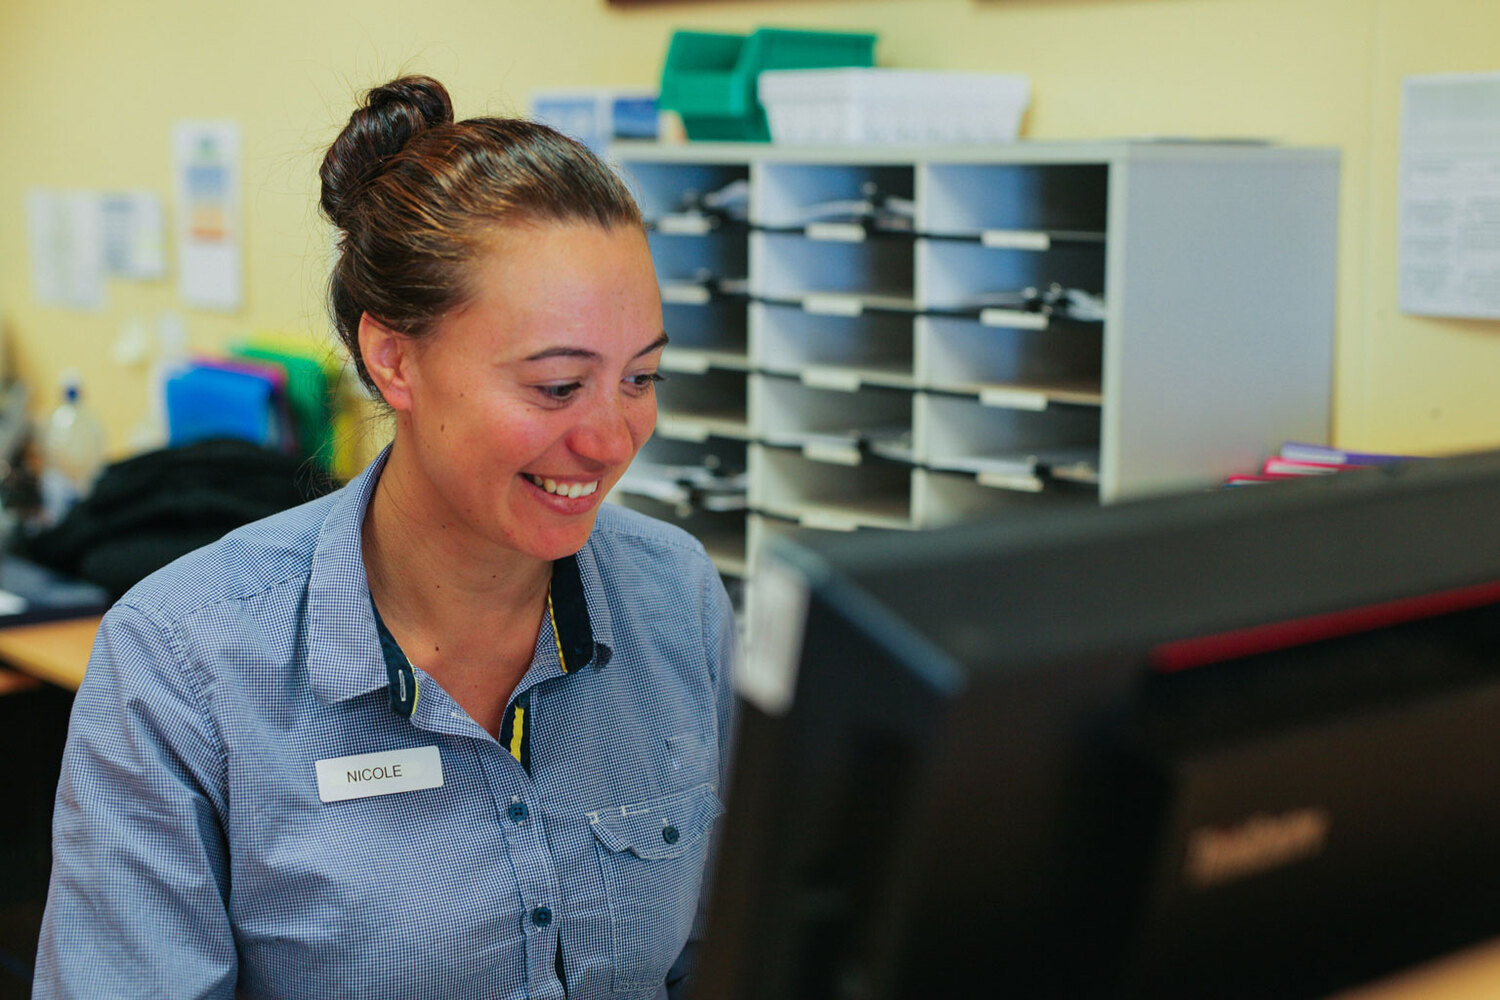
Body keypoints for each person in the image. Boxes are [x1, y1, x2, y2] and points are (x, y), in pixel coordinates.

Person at [35, 76, 736, 1000]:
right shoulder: (182, 664)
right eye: (557, 387)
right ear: (392, 357)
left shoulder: (673, 597)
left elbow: (725, 955)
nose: (611, 440)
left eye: (640, 378)